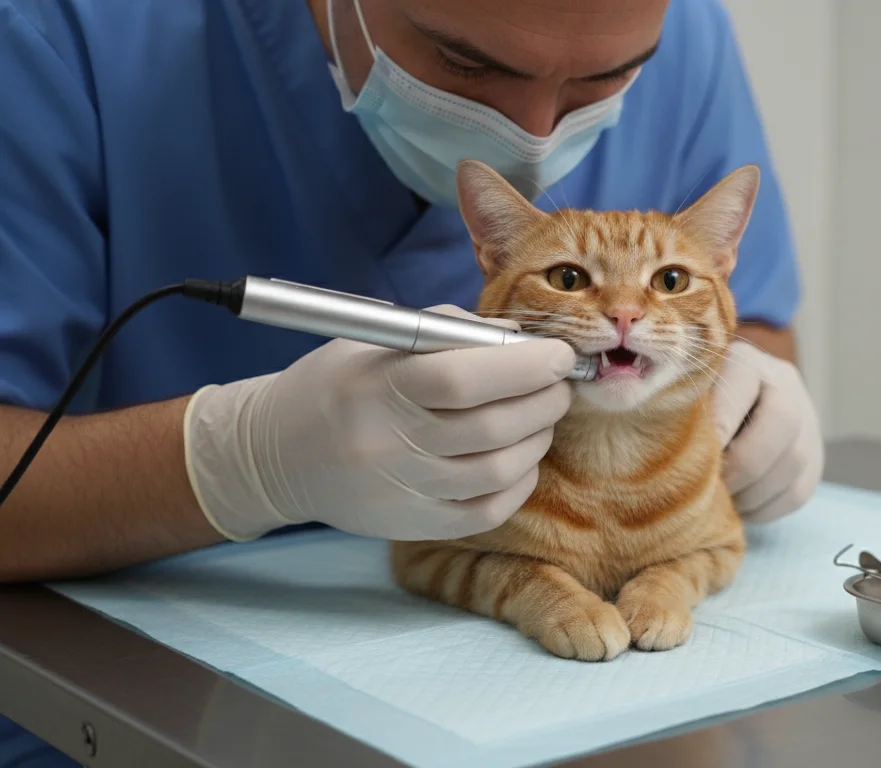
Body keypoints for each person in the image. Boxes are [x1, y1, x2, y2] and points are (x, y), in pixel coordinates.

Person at [0, 0, 824, 763]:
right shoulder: (56, 34)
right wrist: (239, 460)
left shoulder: (688, 31)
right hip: (119, 708)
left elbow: (754, 322)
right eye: (464, 63)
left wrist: (757, 393)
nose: (534, 138)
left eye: (604, 80)